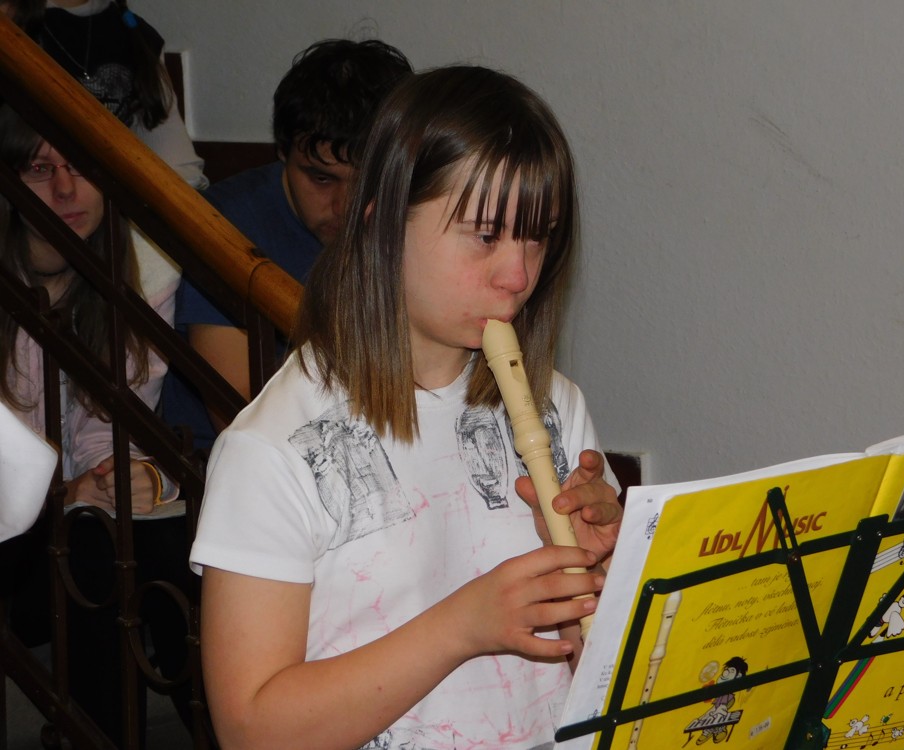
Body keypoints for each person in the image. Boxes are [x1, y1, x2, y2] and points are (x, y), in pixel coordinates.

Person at [190, 65, 623, 749]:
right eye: (486, 235)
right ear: (383, 227)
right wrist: (463, 626)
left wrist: (606, 572)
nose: (518, 275)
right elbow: (251, 730)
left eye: (537, 236)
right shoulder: (274, 449)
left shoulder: (555, 407)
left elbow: (596, 672)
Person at [0, 105, 190, 747]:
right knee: (91, 544)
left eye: (79, 166)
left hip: (67, 534)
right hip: (9, 539)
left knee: (149, 536)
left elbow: (113, 424)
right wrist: (60, 496)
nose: (65, 189)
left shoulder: (142, 277)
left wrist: (132, 476)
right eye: (38, 168)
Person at [164, 38, 412, 452]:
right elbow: (242, 418)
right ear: (282, 151)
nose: (345, 206)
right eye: (321, 178)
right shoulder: (225, 227)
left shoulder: (415, 216)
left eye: (368, 180)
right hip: (219, 464)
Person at [4, 0, 207, 190]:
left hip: (114, 200)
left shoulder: (138, 35)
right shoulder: (11, 25)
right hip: (33, 197)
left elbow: (173, 157)